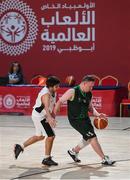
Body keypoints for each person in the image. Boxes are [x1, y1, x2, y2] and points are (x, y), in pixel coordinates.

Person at [54, 75, 115, 165]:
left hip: (85, 119)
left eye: (92, 86)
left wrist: (98, 114)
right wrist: (53, 116)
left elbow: (90, 108)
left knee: (87, 138)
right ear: (84, 83)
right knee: (92, 137)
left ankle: (73, 151)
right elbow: (60, 101)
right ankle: (104, 158)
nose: (92, 88)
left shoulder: (89, 93)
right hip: (76, 120)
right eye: (90, 86)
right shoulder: (73, 91)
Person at [14, 76, 60, 166]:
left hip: (41, 115)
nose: (58, 88)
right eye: (56, 86)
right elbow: (46, 107)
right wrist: (50, 118)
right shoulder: (45, 94)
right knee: (51, 136)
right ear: (50, 86)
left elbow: (52, 106)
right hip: (40, 116)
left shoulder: (53, 91)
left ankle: (20, 146)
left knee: (40, 137)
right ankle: (47, 158)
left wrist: (52, 116)